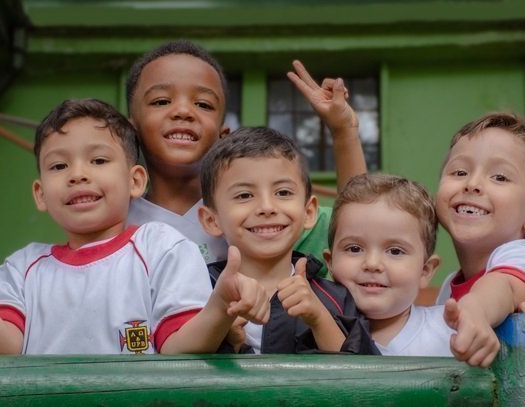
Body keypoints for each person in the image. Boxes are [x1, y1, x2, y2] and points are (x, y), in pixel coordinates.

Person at [0, 98, 269, 407]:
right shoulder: (23, 267)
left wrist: (218, 305)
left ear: (135, 180)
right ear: (40, 193)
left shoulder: (160, 247)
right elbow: (2, 345)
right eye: (58, 165)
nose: (77, 174)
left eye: (98, 161)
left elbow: (178, 347)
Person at [197, 126, 377, 407]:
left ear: (309, 211)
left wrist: (318, 318)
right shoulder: (197, 287)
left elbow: (369, 383)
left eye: (282, 192)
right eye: (244, 196)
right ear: (211, 219)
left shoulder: (332, 293)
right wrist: (220, 327)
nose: (266, 208)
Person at [124, 39, 366, 270]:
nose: (183, 111)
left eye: (204, 104)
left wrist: (343, 132)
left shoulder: (273, 212)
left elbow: (360, 226)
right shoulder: (113, 219)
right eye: (161, 101)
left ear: (223, 133)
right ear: (131, 127)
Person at [324, 173, 481, 407]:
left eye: (394, 251)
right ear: (330, 262)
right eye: (354, 249)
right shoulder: (318, 337)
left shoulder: (453, 328)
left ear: (426, 270)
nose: (372, 263)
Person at [434, 111, 525, 365]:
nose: (472, 183)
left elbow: (503, 286)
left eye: (500, 177)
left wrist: (476, 311)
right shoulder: (448, 287)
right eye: (459, 172)